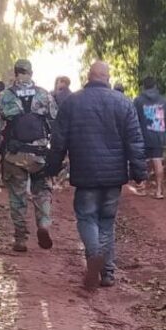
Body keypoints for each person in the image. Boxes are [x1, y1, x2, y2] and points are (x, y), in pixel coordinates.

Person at [47, 61, 147, 289]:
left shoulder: (73, 102)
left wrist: (52, 168)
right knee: (107, 221)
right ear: (107, 77)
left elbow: (58, 140)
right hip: (114, 176)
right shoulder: (123, 102)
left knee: (87, 217)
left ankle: (94, 256)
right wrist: (139, 171)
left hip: (85, 173)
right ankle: (108, 272)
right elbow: (135, 139)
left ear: (89, 76)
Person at [0, 59, 58, 252]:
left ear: (15, 73)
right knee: (42, 191)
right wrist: (58, 152)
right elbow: (55, 124)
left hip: (14, 156)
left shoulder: (3, 97)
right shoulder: (44, 95)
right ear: (31, 73)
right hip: (40, 155)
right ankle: (43, 223)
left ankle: (20, 239)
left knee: (17, 197)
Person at [134, 77, 166, 199]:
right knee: (158, 161)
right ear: (155, 86)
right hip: (159, 135)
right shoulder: (163, 101)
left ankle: (142, 187)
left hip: (143, 136)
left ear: (143, 87)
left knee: (143, 162)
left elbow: (133, 118)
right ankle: (159, 191)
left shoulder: (138, 101)